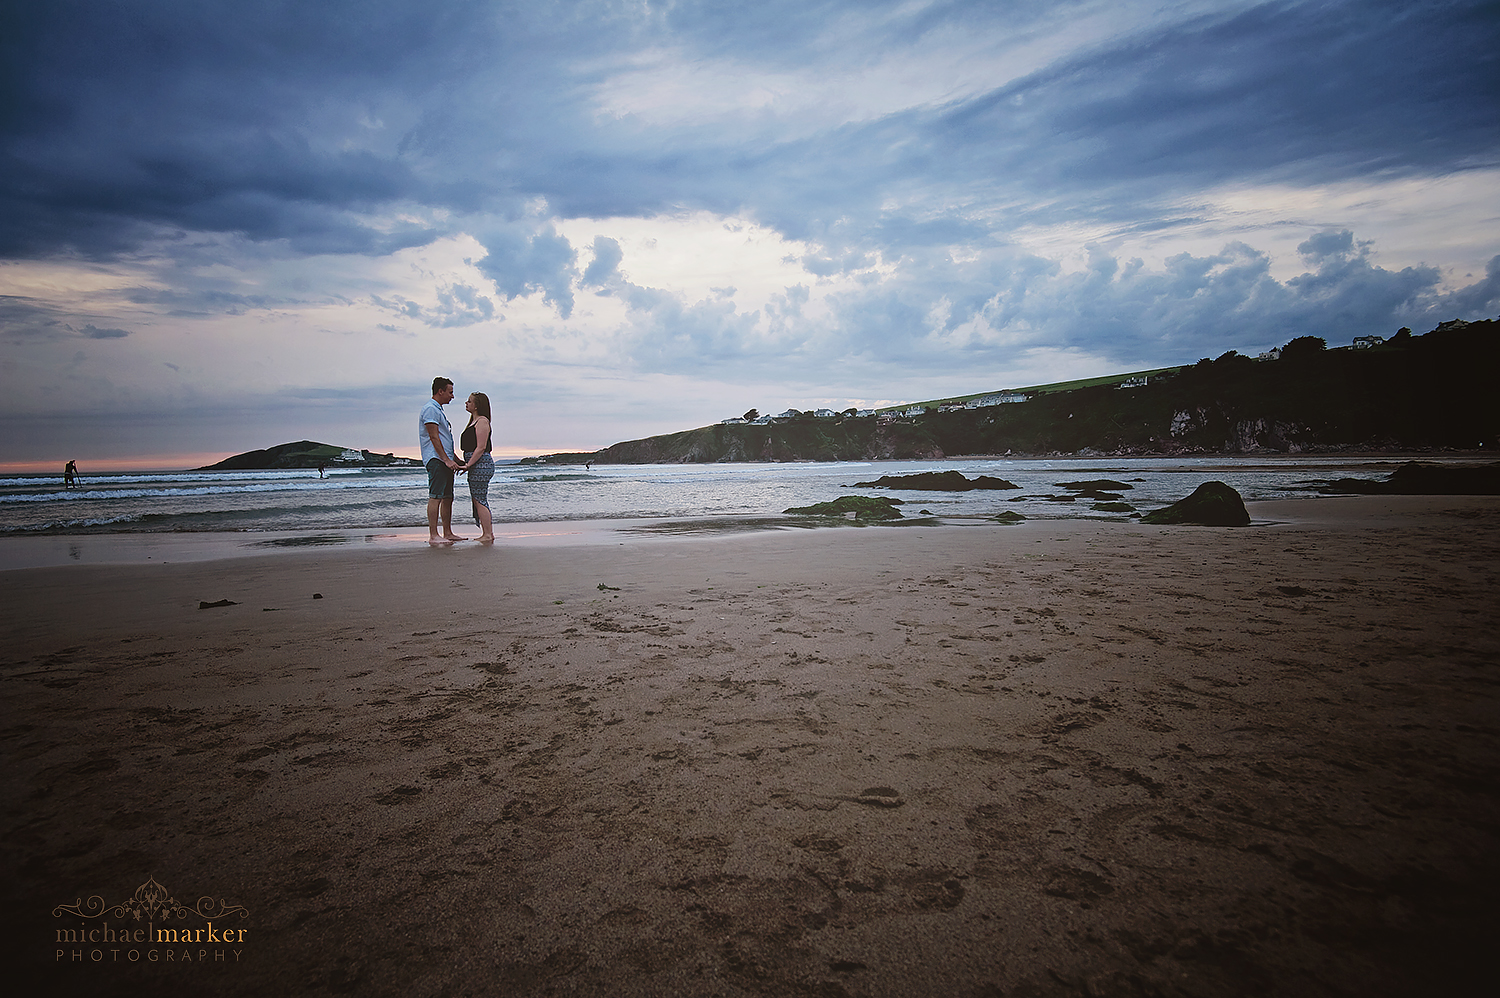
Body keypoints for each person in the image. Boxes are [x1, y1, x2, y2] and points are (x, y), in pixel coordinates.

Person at [419, 377, 466, 546]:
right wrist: (446, 460)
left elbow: (444, 439)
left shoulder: (438, 410)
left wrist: (456, 459)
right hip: (436, 459)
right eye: (450, 392)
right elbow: (434, 436)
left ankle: (448, 532)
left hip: (444, 459)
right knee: (436, 496)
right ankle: (434, 534)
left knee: (448, 497)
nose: (452, 396)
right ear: (441, 391)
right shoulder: (430, 409)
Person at [458, 391, 496, 543]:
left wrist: (468, 464)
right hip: (476, 465)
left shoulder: (482, 421)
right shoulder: (474, 421)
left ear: (476, 405)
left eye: (469, 401)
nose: (466, 403)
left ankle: (487, 534)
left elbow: (480, 447)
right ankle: (486, 533)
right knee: (478, 498)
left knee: (480, 499)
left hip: (481, 464)